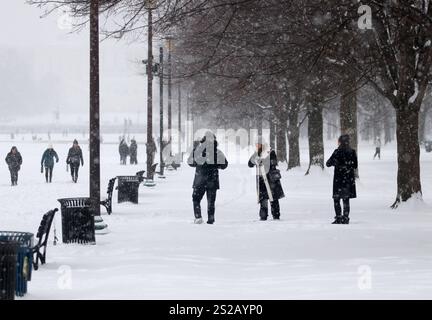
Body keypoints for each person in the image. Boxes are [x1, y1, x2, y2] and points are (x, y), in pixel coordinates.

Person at [188, 132, 228, 224]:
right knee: (211, 201)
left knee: (196, 199)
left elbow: (190, 162)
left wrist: (199, 163)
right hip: (212, 180)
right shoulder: (217, 152)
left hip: (200, 179)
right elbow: (225, 165)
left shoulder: (197, 150)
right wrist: (216, 165)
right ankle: (211, 219)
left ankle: (198, 217)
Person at [248, 141, 284, 221]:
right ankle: (263, 216)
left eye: (259, 145)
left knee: (274, 198)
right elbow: (250, 164)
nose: (257, 146)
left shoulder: (271, 152)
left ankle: (276, 216)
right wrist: (255, 160)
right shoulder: (256, 154)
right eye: (256, 145)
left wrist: (263, 161)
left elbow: (273, 163)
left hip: (271, 179)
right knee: (263, 199)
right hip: (262, 180)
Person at [326, 134, 358, 225]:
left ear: (340, 141)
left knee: (336, 199)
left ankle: (339, 217)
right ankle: (346, 217)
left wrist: (336, 163)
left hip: (338, 179)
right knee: (346, 199)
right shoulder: (352, 152)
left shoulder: (337, 152)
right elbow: (355, 165)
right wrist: (348, 166)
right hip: (348, 179)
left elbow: (328, 163)